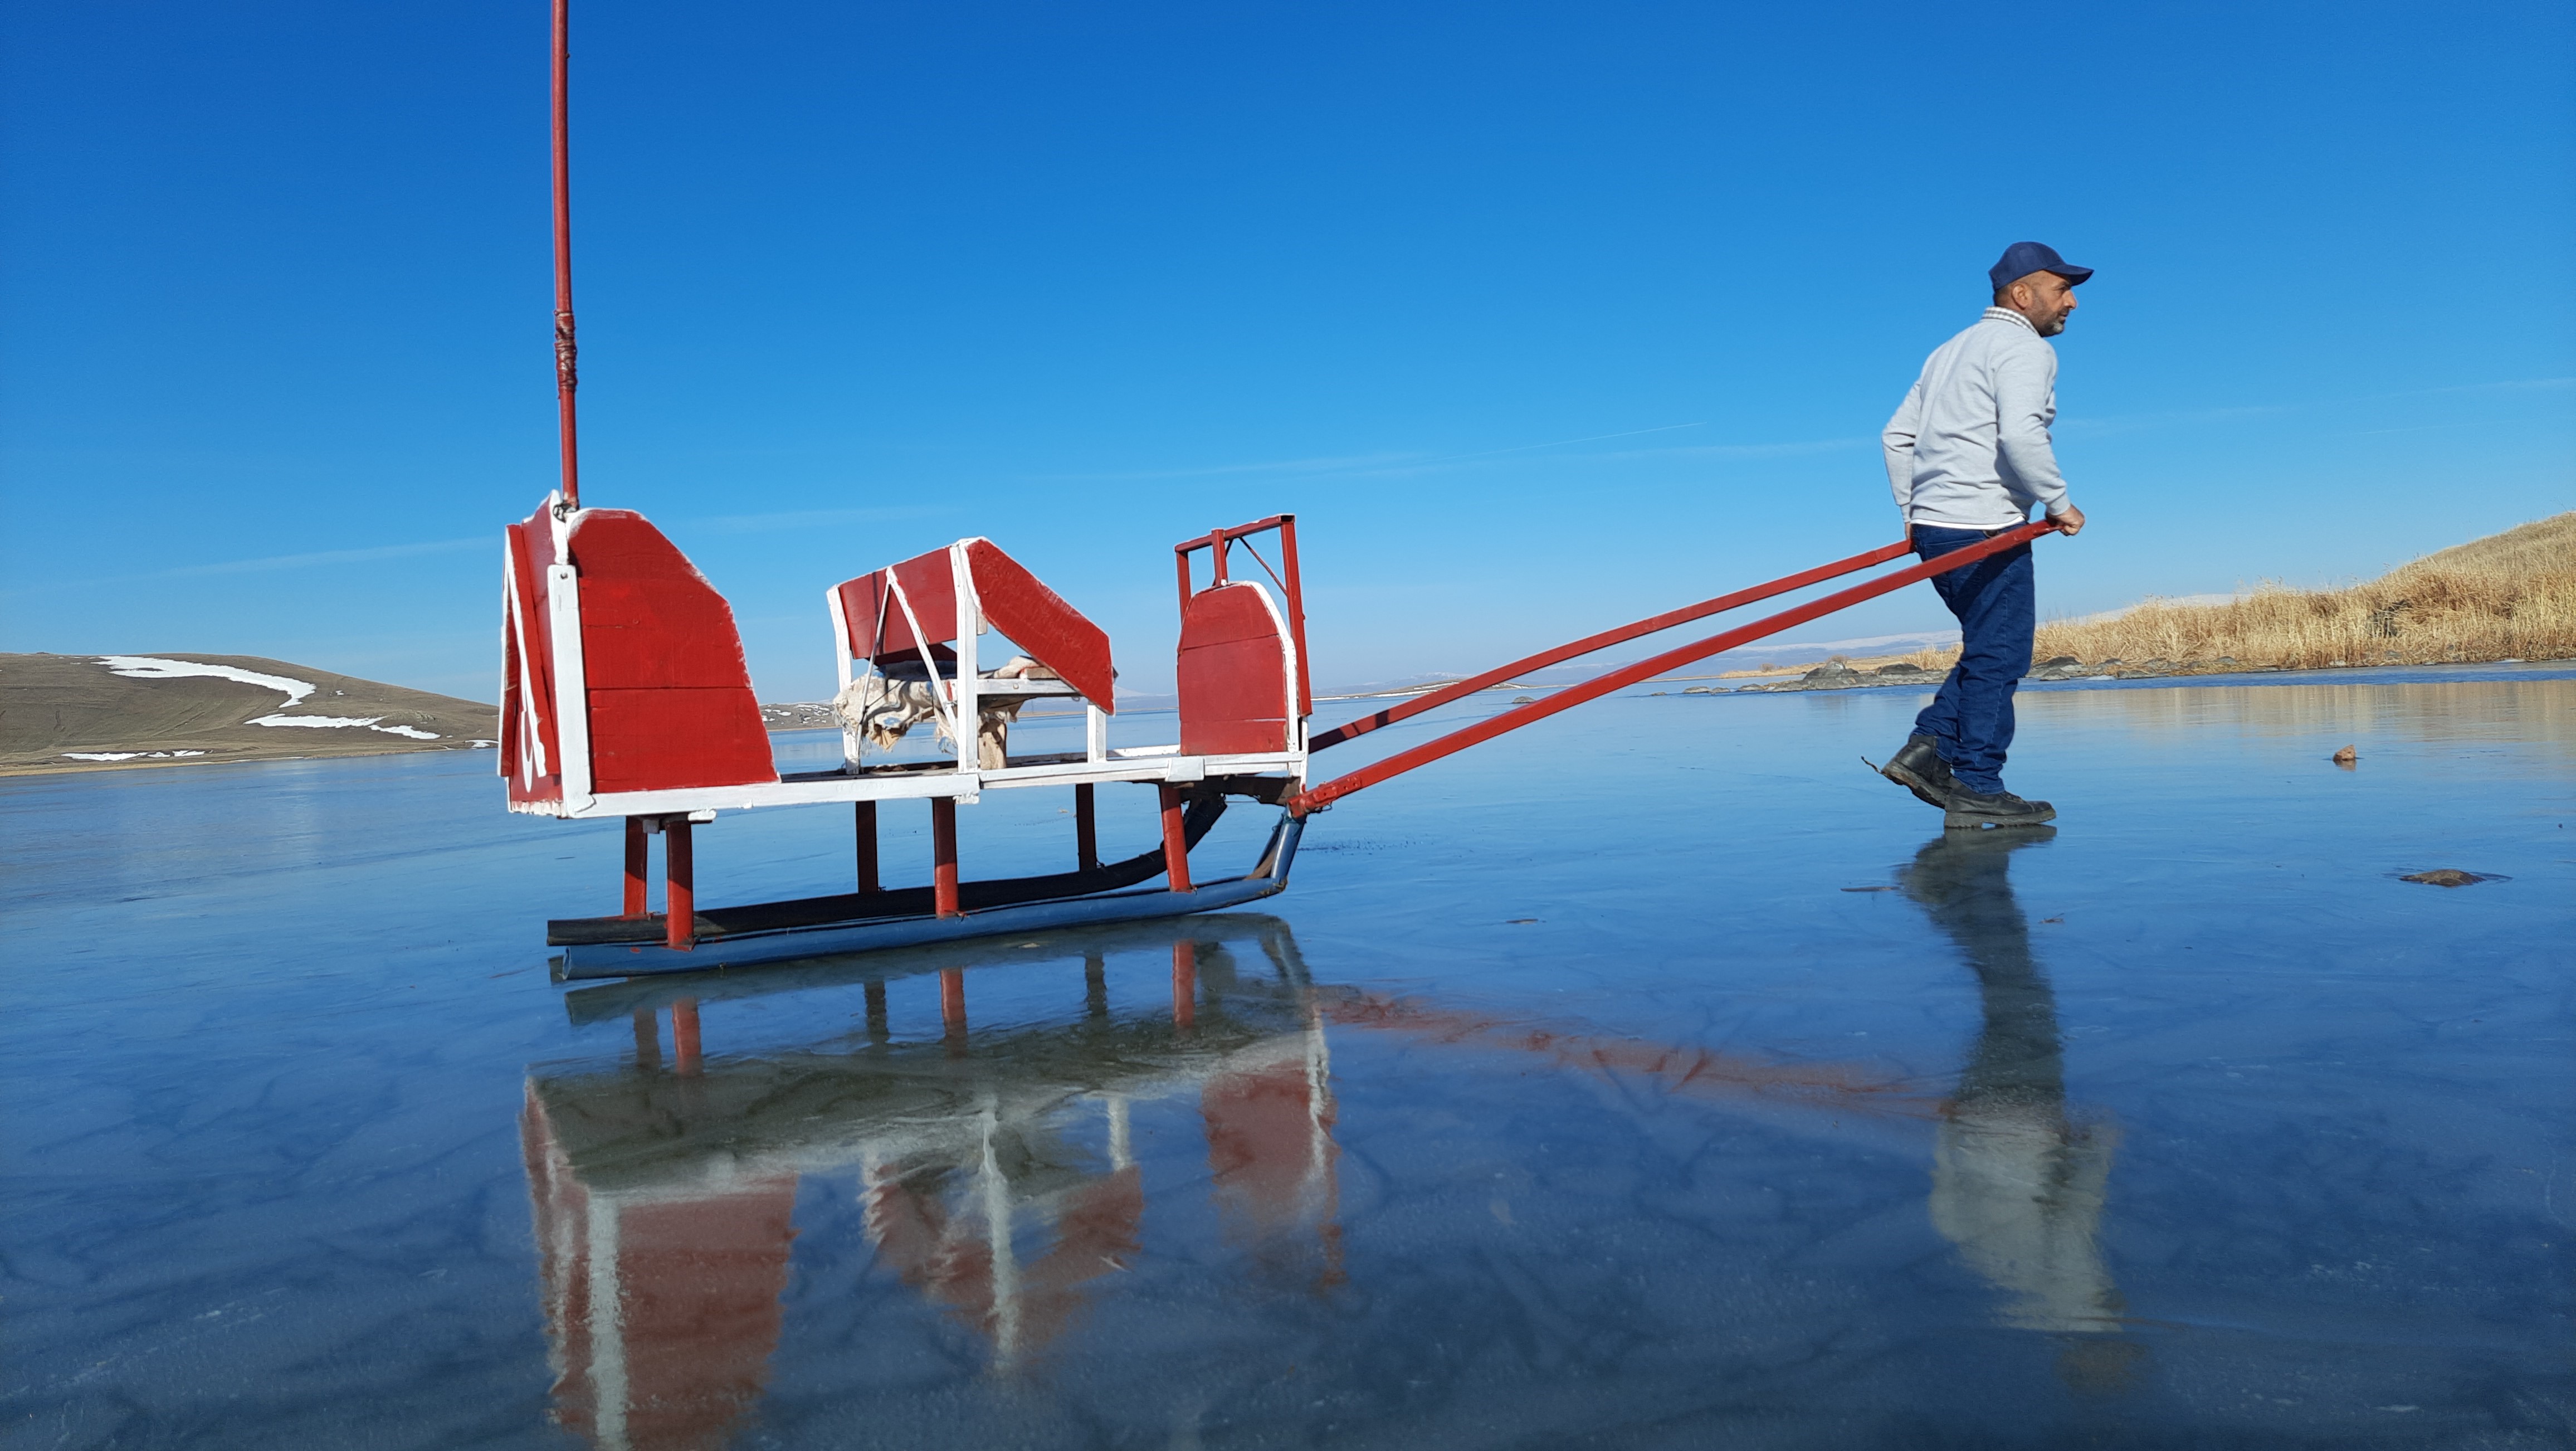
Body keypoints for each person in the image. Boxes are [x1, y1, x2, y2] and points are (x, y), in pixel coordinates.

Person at [1878, 241, 2091, 829]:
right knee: (2000, 654)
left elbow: (1895, 437)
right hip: (1984, 524)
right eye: (2061, 290)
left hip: (1936, 527)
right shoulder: (2022, 348)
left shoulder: (1949, 350)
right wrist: (2060, 502)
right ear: (2022, 295)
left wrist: (1911, 511)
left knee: (1988, 648)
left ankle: (1927, 751)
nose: (2070, 302)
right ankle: (1976, 781)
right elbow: (2021, 435)